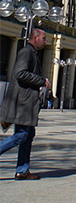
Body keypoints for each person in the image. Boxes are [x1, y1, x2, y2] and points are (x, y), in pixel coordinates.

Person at [0, 28, 50, 180]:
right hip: (23, 103)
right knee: (22, 135)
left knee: (28, 135)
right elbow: (20, 73)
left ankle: (22, 170)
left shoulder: (32, 53)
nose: (45, 41)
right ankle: (22, 169)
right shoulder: (26, 52)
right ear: (35, 38)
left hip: (26, 103)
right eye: (43, 38)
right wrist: (42, 81)